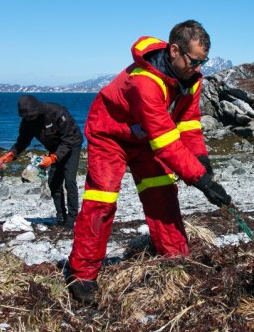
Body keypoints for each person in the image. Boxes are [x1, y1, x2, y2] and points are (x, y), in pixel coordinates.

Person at [62, 20, 231, 303]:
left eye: (204, 62)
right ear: (174, 51)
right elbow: (164, 141)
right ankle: (81, 274)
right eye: (194, 61)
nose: (199, 68)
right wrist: (199, 180)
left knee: (162, 195)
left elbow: (188, 124)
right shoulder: (145, 81)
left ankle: (177, 260)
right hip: (110, 135)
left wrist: (201, 160)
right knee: (101, 200)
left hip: (144, 139)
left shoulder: (191, 79)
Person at [0, 95, 83, 230]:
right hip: (53, 148)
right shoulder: (27, 121)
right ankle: (61, 216)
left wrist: (53, 158)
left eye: (32, 116)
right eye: (27, 117)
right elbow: (23, 140)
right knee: (54, 182)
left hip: (72, 146)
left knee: (69, 180)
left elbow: (69, 138)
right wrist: (11, 155)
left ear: (38, 110)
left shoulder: (57, 112)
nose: (30, 119)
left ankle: (72, 219)